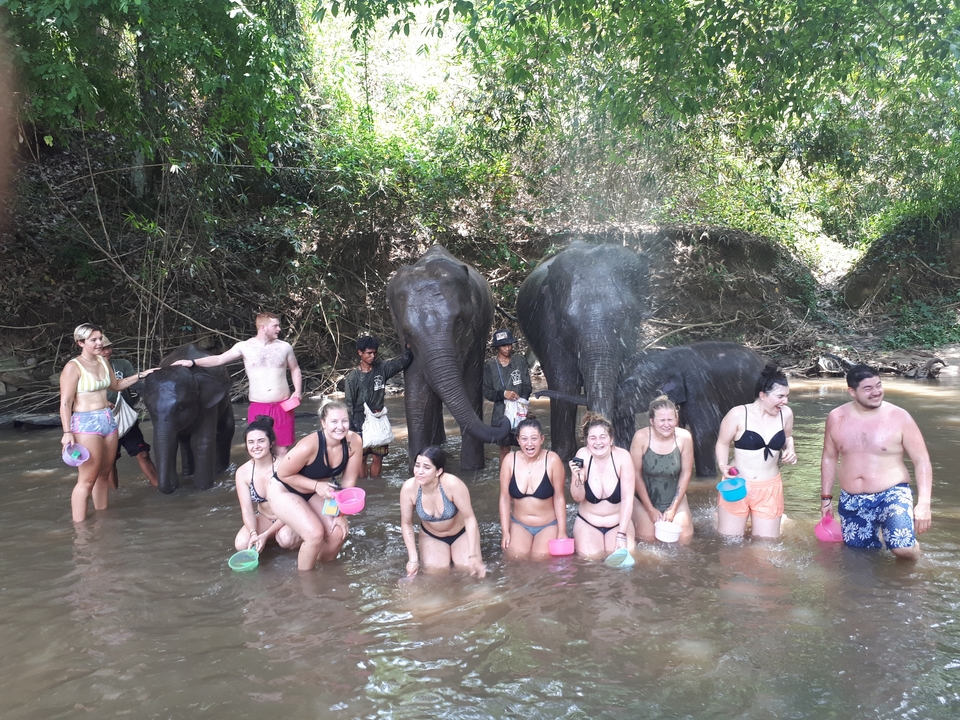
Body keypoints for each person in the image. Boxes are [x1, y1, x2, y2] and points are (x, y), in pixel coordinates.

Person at [820, 364, 932, 560]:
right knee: (859, 558)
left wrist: (924, 503)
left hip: (892, 493)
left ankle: (914, 562)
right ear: (852, 392)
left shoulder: (899, 417)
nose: (876, 392)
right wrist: (826, 497)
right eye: (868, 388)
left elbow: (921, 459)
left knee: (902, 549)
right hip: (852, 499)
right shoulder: (836, 417)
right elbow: (829, 457)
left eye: (878, 385)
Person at [59, 323, 157, 522]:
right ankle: (80, 528)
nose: (99, 343)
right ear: (80, 343)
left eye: (100, 338)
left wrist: (140, 375)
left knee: (104, 473)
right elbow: (65, 402)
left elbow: (117, 385)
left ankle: (103, 520)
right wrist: (67, 432)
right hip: (85, 424)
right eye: (93, 340)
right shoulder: (72, 367)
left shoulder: (103, 362)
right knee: (87, 479)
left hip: (108, 420)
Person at [172, 312, 302, 455]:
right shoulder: (244, 347)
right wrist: (192, 362)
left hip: (282, 405)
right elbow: (219, 360)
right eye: (275, 326)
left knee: (282, 449)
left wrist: (297, 391)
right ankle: (261, 477)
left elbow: (295, 369)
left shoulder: (285, 347)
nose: (279, 329)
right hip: (258, 405)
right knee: (258, 450)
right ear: (263, 327)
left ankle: (279, 477)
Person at [269, 399, 362, 570]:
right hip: (283, 489)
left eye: (344, 421)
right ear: (323, 423)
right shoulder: (309, 445)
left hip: (314, 490)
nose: (340, 427)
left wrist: (341, 515)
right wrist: (316, 486)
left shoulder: (354, 442)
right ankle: (305, 584)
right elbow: (283, 474)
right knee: (314, 534)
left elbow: (348, 483)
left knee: (338, 533)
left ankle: (324, 572)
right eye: (334, 421)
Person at [715, 365, 797, 538]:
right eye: (780, 396)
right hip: (737, 485)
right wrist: (723, 465)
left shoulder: (786, 414)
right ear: (763, 395)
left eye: (787, 396)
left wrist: (790, 449)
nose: (786, 401)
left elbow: (788, 437)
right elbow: (722, 442)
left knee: (765, 549)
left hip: (770, 487)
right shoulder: (738, 414)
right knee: (730, 544)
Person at [400, 446, 486, 577]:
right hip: (431, 535)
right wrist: (413, 558)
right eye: (417, 466)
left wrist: (473, 554)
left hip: (461, 533)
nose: (419, 472)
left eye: (426, 468)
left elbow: (470, 518)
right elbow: (406, 523)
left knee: (469, 571)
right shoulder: (409, 488)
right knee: (436, 576)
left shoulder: (453, 484)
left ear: (438, 471)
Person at [498, 418, 568, 559]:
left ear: (542, 439)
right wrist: (505, 531)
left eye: (534, 439)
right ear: (518, 440)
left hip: (548, 525)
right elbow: (505, 498)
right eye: (524, 439)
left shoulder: (552, 460)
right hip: (519, 524)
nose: (529, 444)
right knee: (515, 557)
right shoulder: (510, 460)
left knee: (540, 558)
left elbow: (559, 497)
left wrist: (562, 531)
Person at [344, 335, 413, 478]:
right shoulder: (353, 378)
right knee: (361, 457)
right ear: (360, 353)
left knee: (378, 456)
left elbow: (402, 363)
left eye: (374, 352)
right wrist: (350, 429)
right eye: (369, 353)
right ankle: (364, 485)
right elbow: (348, 405)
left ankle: (375, 484)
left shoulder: (382, 369)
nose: (372, 356)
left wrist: (408, 350)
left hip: (378, 418)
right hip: (359, 421)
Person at [630, 395, 695, 542]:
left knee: (684, 538)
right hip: (643, 499)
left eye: (670, 420)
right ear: (652, 421)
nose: (667, 424)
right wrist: (649, 509)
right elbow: (635, 475)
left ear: (676, 419)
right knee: (648, 538)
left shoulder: (684, 437)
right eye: (662, 420)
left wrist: (673, 508)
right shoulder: (641, 437)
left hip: (673, 498)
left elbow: (686, 473)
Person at [569, 413, 636, 556]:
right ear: (587, 441)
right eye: (592, 438)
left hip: (618, 524)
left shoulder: (623, 457)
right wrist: (578, 479)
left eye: (603, 437)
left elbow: (627, 499)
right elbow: (577, 498)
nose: (598, 442)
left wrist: (621, 534)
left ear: (611, 439)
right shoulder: (582, 455)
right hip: (588, 523)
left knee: (624, 562)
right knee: (591, 562)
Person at [234, 416, 302, 553]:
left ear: (271, 443)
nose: (256, 446)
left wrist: (266, 535)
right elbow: (247, 510)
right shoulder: (243, 472)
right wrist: (254, 533)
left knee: (285, 539)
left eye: (261, 441)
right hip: (265, 517)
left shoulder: (285, 466)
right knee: (241, 544)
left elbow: (293, 507)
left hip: (289, 516)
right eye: (251, 442)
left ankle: (297, 538)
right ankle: (266, 541)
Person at [101, 336, 159, 488]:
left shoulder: (122, 365)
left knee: (142, 453)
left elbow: (135, 385)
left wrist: (152, 393)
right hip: (103, 422)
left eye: (109, 347)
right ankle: (115, 494)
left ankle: (159, 486)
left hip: (126, 419)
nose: (107, 351)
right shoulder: (87, 371)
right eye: (103, 349)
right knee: (109, 461)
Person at [482, 328, 532, 464]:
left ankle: (525, 478)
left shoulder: (519, 360)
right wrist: (504, 394)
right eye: (504, 345)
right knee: (504, 449)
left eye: (509, 344)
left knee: (526, 447)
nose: (508, 348)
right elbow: (486, 392)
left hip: (521, 412)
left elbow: (527, 385)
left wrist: (523, 404)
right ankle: (505, 478)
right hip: (501, 415)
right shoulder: (490, 366)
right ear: (497, 347)